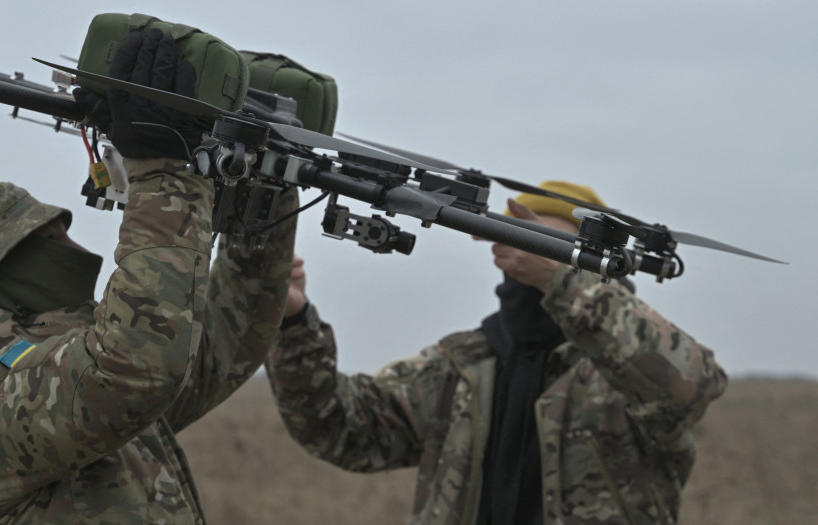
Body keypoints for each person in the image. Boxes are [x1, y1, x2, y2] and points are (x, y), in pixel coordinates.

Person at [0, 29, 297, 524]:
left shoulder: (84, 381)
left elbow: (221, 344)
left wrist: (263, 202)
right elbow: (138, 366)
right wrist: (161, 170)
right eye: (52, 241)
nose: (77, 250)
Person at [267, 181, 727, 525]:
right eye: (525, 242)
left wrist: (559, 279)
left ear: (595, 268)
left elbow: (690, 388)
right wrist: (293, 323)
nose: (533, 259)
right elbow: (341, 430)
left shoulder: (626, 370)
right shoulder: (463, 364)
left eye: (552, 246)